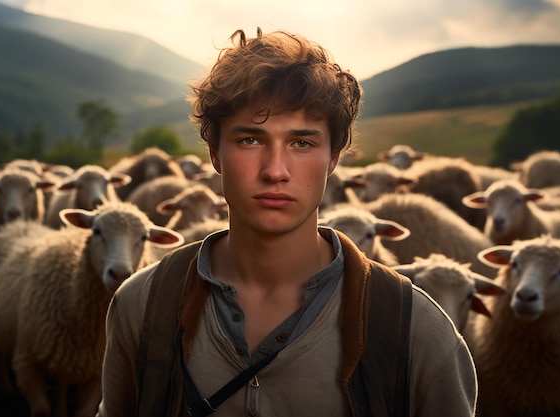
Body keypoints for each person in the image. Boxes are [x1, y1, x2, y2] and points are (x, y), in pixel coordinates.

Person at [95, 28, 477, 417]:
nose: (275, 171)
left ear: (334, 157)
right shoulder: (142, 306)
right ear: (214, 153)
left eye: (302, 143)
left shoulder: (415, 329)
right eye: (250, 140)